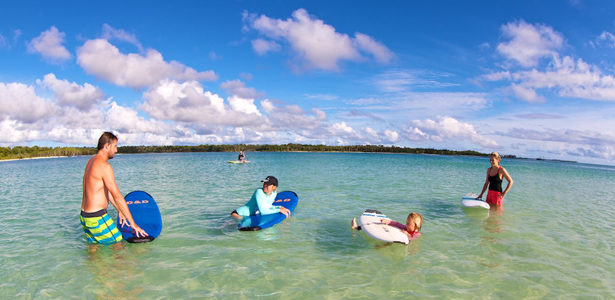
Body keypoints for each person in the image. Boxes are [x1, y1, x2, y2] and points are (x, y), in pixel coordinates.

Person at [80, 132, 147, 244]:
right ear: (107, 146)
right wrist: (133, 224)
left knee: (94, 250)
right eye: (115, 146)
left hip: (85, 217)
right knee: (119, 245)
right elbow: (117, 196)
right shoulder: (104, 166)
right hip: (97, 218)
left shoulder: (91, 162)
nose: (116, 150)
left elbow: (104, 191)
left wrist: (119, 210)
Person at [351, 212, 423, 240]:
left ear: (416, 226)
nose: (406, 225)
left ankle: (382, 247)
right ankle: (356, 227)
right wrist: (387, 222)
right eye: (406, 222)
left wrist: (408, 235)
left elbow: (412, 239)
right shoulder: (405, 228)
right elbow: (397, 224)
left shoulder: (417, 234)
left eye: (409, 223)